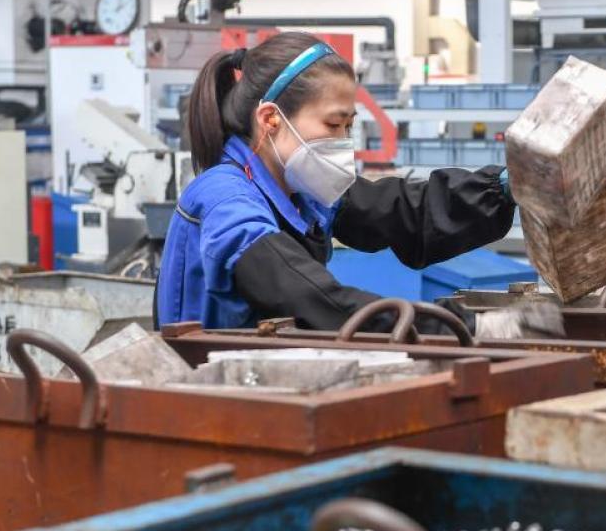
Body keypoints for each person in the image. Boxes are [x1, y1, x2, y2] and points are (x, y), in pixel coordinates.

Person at [156, 31, 515, 330]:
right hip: (205, 392)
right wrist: (453, 328)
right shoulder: (225, 200)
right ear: (270, 119)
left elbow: (403, 213)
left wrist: (504, 187)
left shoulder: (305, 191)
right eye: (333, 124)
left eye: (349, 125)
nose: (344, 140)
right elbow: (307, 296)